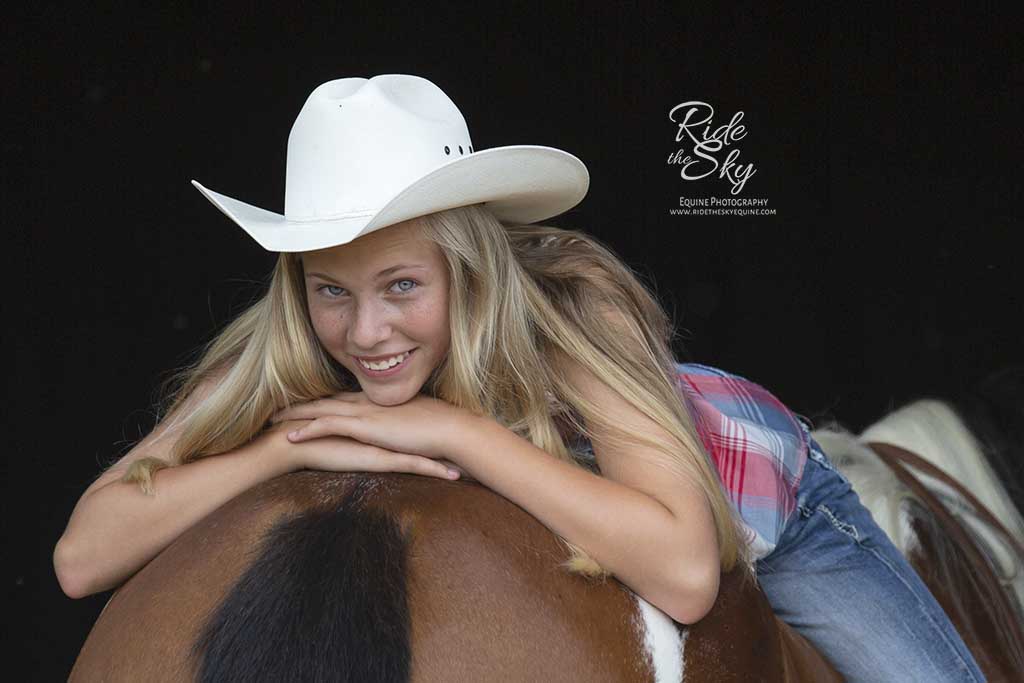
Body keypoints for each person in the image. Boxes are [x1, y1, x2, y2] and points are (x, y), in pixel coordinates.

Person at [53, 75, 985, 681]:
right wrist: (278, 447)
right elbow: (82, 556)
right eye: (332, 288)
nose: (365, 332)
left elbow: (691, 574)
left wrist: (457, 434)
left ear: (468, 265)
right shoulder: (289, 337)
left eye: (403, 286)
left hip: (763, 495)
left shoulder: (574, 309)